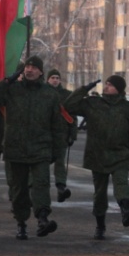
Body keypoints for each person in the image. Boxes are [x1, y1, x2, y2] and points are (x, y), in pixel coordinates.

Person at [0, 56, 64, 240]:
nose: (29, 70)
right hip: (15, 148)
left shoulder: (50, 94)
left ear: (41, 72)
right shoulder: (12, 89)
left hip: (40, 148)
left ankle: (42, 218)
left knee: (41, 184)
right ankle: (21, 223)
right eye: (27, 67)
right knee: (19, 189)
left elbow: (57, 126)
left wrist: (56, 151)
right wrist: (7, 81)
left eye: (34, 67)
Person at [65, 75, 129, 240]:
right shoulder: (93, 103)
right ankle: (100, 225)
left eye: (110, 85)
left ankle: (126, 212)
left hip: (121, 155)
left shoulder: (128, 108)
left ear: (119, 89)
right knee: (100, 193)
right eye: (106, 84)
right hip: (97, 155)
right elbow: (68, 105)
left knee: (121, 184)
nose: (106, 87)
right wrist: (84, 89)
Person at [46, 68, 77, 202]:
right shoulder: (42, 93)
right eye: (52, 78)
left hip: (61, 135)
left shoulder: (66, 95)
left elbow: (72, 115)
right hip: (44, 135)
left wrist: (72, 135)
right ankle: (35, 188)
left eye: (57, 78)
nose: (55, 80)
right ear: (48, 79)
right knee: (41, 163)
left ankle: (61, 188)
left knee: (60, 163)